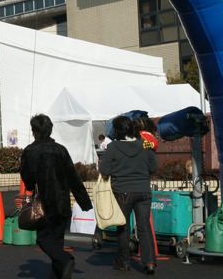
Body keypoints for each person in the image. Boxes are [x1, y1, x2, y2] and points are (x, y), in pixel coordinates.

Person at [20, 113, 92, 279]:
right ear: (50, 130)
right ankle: (58, 273)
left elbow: (27, 177)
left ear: (34, 131)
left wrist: (31, 186)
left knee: (43, 239)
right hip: (62, 201)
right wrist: (84, 202)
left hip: (43, 203)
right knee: (57, 239)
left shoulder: (30, 151)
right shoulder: (60, 150)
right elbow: (73, 177)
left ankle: (65, 260)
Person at [100, 114, 159, 274]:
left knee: (123, 227)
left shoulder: (113, 147)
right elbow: (154, 167)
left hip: (122, 191)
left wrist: (119, 169)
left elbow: (104, 170)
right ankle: (149, 263)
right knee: (144, 226)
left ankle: (124, 261)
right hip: (144, 191)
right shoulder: (144, 145)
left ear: (117, 130)